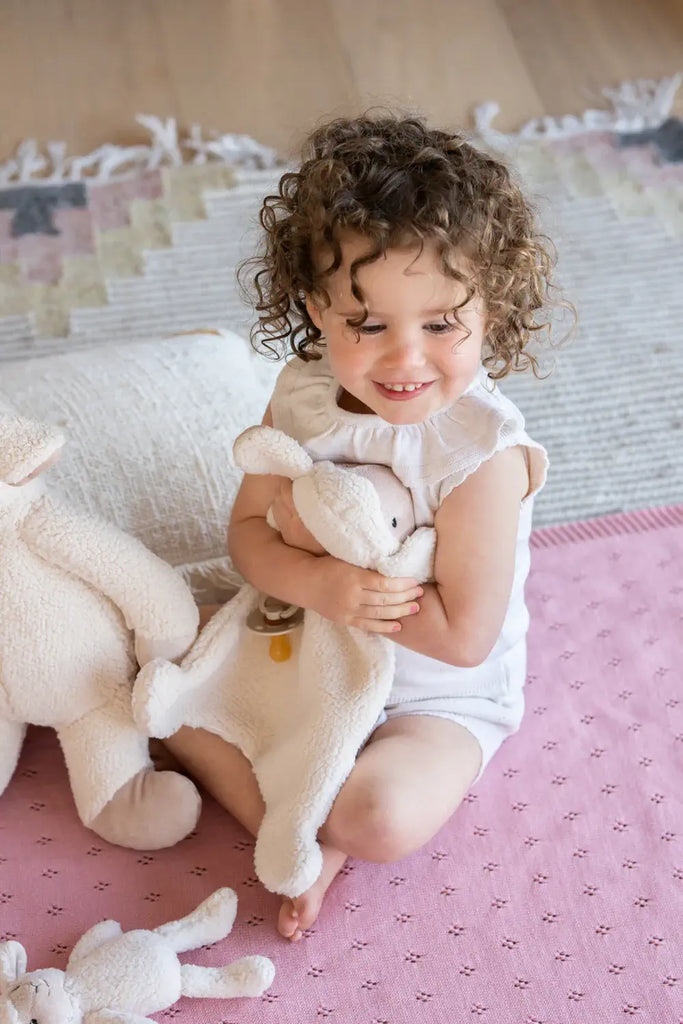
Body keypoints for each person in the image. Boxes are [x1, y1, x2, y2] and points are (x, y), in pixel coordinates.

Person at [164, 114, 556, 941]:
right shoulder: (302, 395)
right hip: (307, 647)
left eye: (442, 323)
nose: (404, 358)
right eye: (367, 324)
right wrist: (318, 587)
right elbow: (246, 535)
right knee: (155, 663)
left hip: (436, 700)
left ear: (492, 308)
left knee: (379, 816)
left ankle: (305, 834)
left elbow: (462, 639)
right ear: (316, 309)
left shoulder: (480, 453)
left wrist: (353, 598)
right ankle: (288, 800)